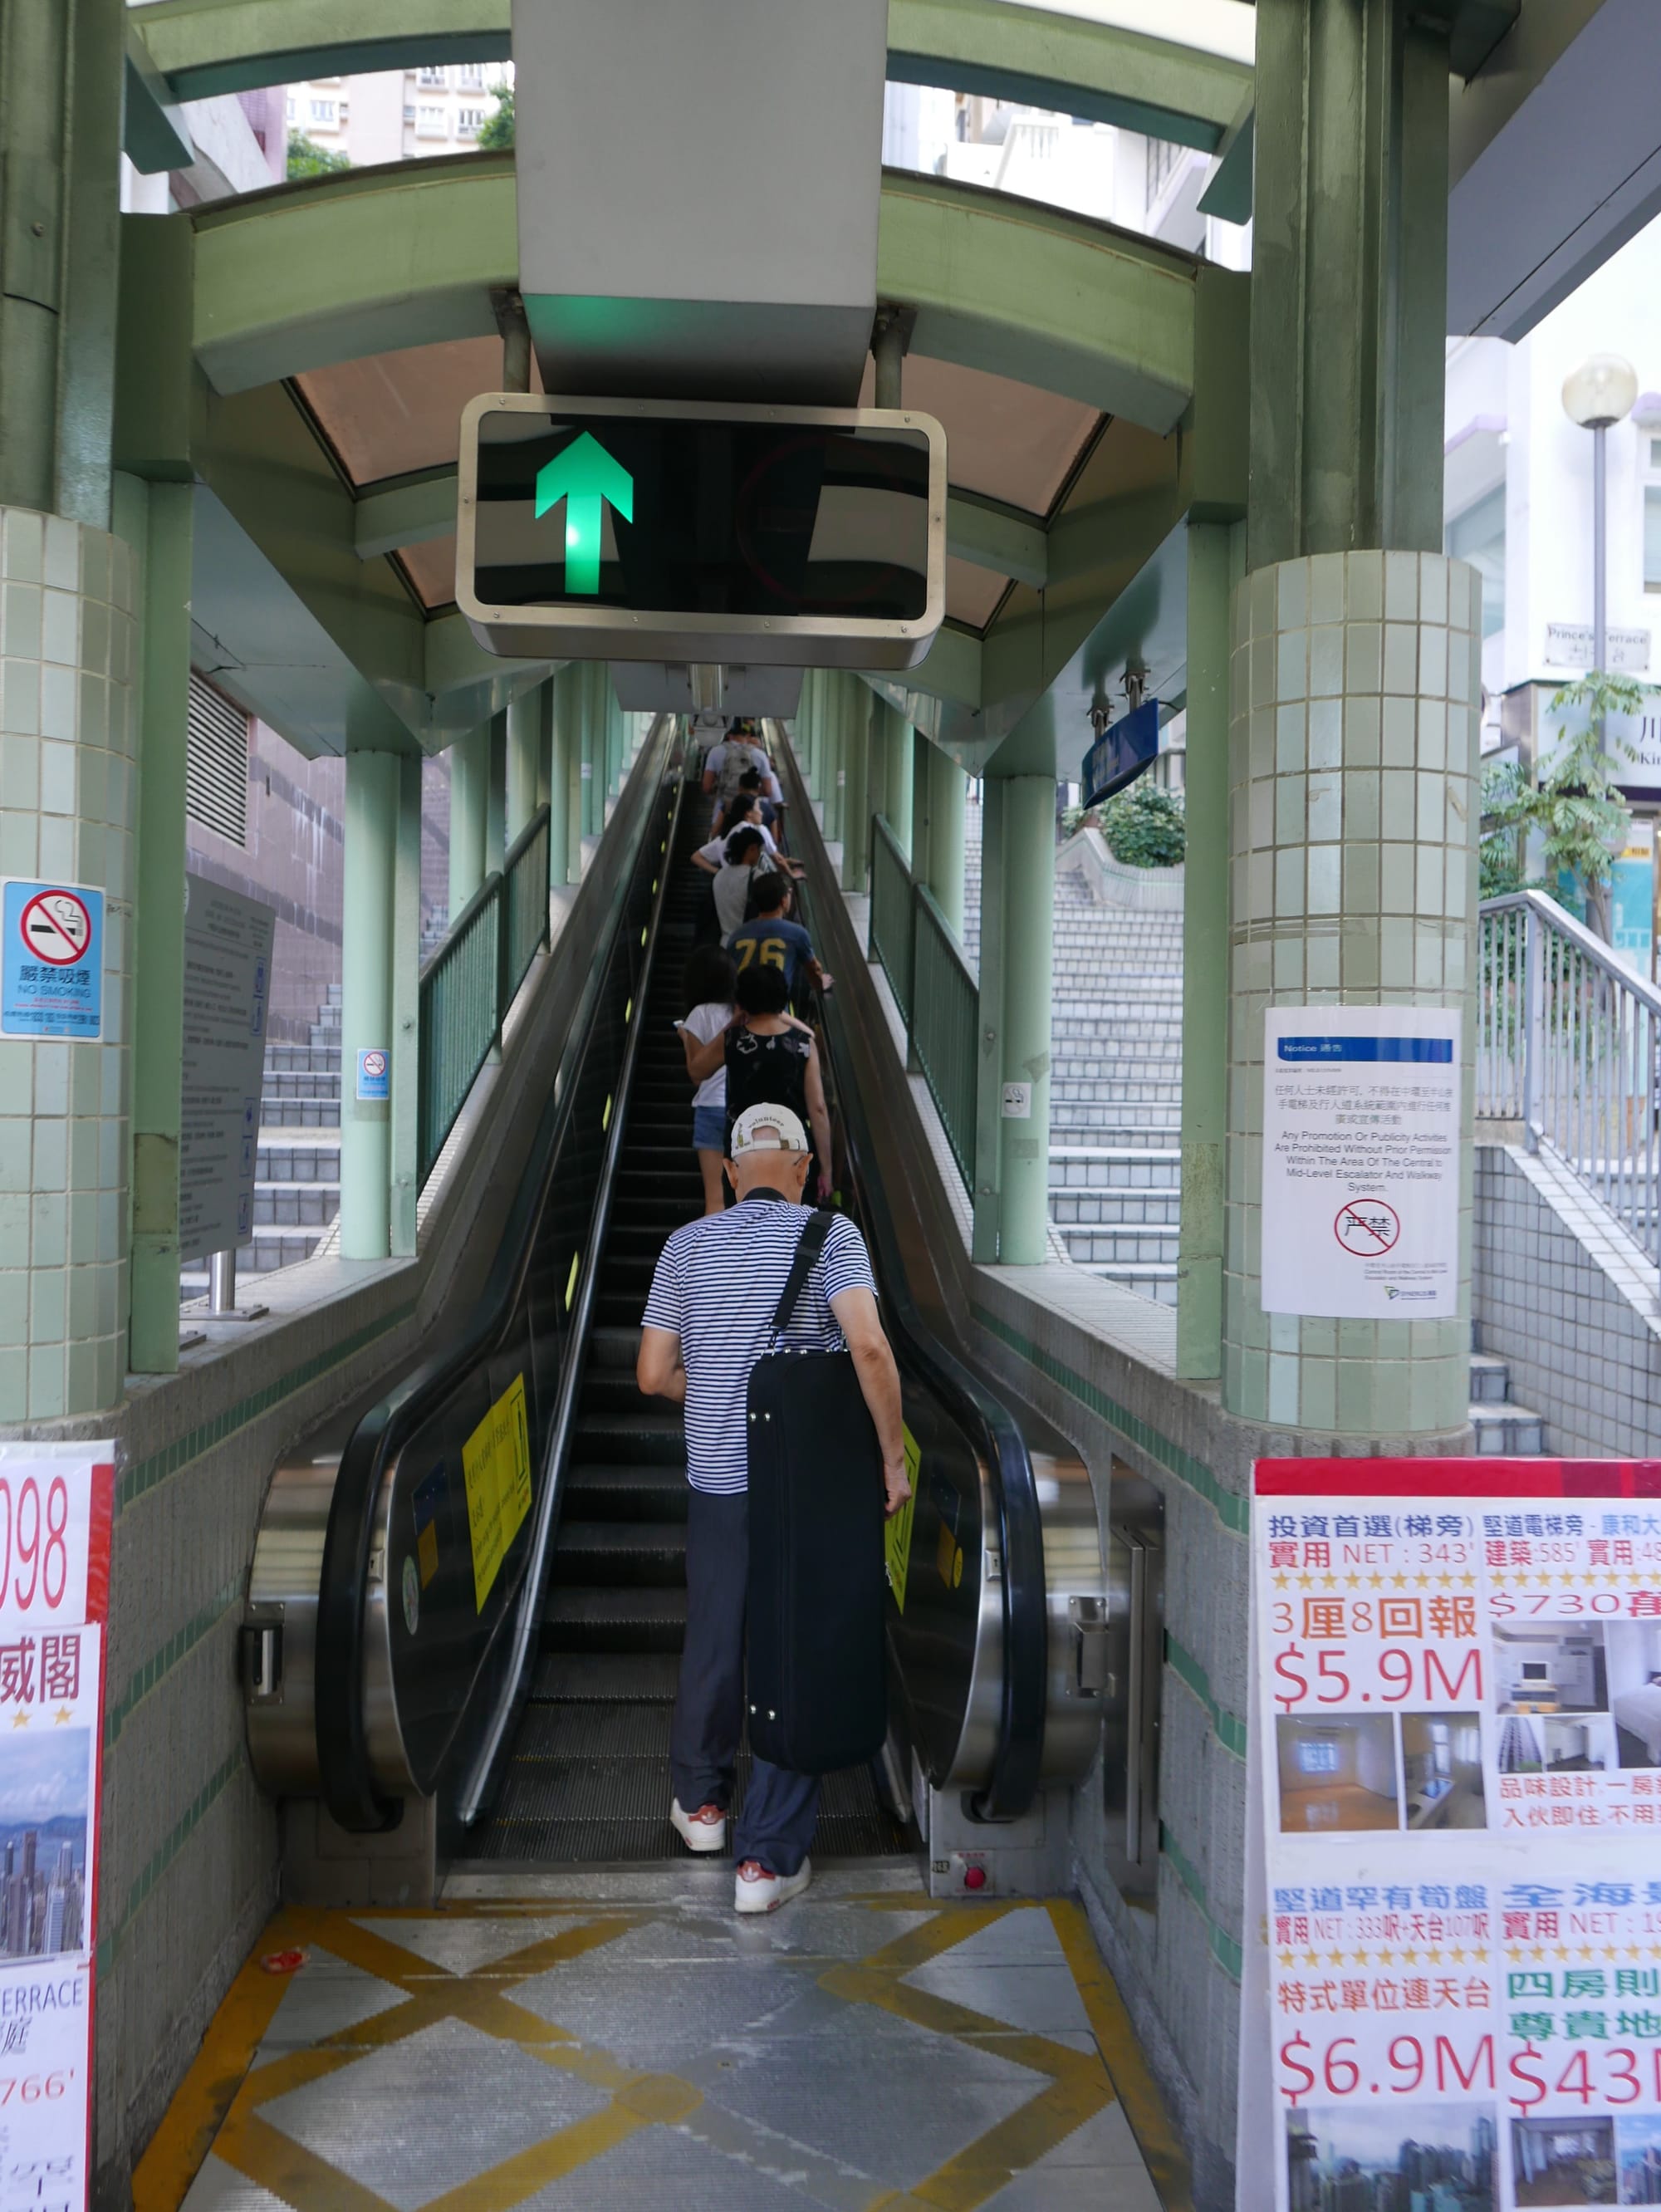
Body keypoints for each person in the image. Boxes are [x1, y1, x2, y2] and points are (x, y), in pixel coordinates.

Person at [637, 1101, 910, 1910]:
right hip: (804, 1489)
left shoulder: (684, 1245)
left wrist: (710, 1390)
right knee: (795, 1650)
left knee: (715, 1637)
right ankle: (766, 1860)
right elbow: (866, 1346)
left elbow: (651, 1373)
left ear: (730, 1171)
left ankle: (702, 1804)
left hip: (718, 1481)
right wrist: (890, 1459)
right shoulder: (833, 1236)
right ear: (800, 1169)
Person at [684, 963, 833, 1199]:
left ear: (741, 999)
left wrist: (732, 1024)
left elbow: (696, 1070)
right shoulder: (803, 1044)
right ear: (783, 996)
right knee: (793, 1225)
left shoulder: (733, 1040)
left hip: (743, 1150)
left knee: (744, 1224)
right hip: (792, 1149)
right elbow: (818, 1108)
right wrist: (827, 1169)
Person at [675, 945, 737, 1217]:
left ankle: (712, 1258)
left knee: (715, 1198)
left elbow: (696, 1072)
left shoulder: (698, 1015)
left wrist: (685, 1036)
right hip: (741, 1109)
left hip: (710, 1108)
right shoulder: (739, 1014)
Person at [727, 873, 830, 998]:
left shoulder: (737, 934)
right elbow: (814, 968)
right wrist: (820, 984)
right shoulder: (797, 933)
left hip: (743, 1008)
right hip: (776, 1009)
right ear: (784, 900)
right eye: (789, 893)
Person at [712, 825, 778, 943]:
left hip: (726, 942)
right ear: (752, 849)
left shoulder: (719, 875)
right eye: (759, 850)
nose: (759, 855)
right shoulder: (756, 876)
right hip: (748, 945)